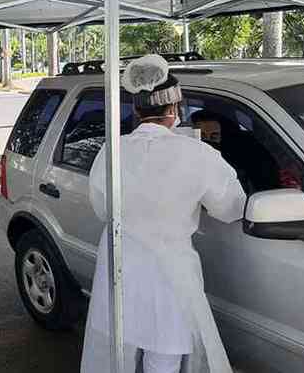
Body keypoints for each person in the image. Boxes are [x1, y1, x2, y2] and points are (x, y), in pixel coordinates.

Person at [81, 55, 247, 373]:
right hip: (169, 271)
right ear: (175, 109)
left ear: (137, 110)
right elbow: (231, 208)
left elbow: (103, 208)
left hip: (119, 266)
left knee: (120, 350)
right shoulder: (199, 154)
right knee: (165, 355)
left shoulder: (111, 150)